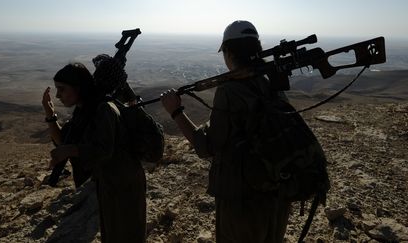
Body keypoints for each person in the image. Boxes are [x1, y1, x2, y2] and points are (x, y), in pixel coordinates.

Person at [160, 20, 291, 242]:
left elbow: (206, 147)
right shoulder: (271, 83)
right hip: (277, 196)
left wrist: (176, 112)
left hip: (243, 201)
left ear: (229, 52)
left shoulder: (230, 91)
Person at [42, 62, 146, 243]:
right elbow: (63, 140)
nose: (58, 95)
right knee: (112, 233)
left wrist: (71, 150)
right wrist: (50, 115)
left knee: (128, 234)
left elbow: (104, 150)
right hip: (107, 182)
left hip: (124, 182)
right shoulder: (83, 110)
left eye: (62, 89)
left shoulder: (104, 108)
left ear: (78, 88)